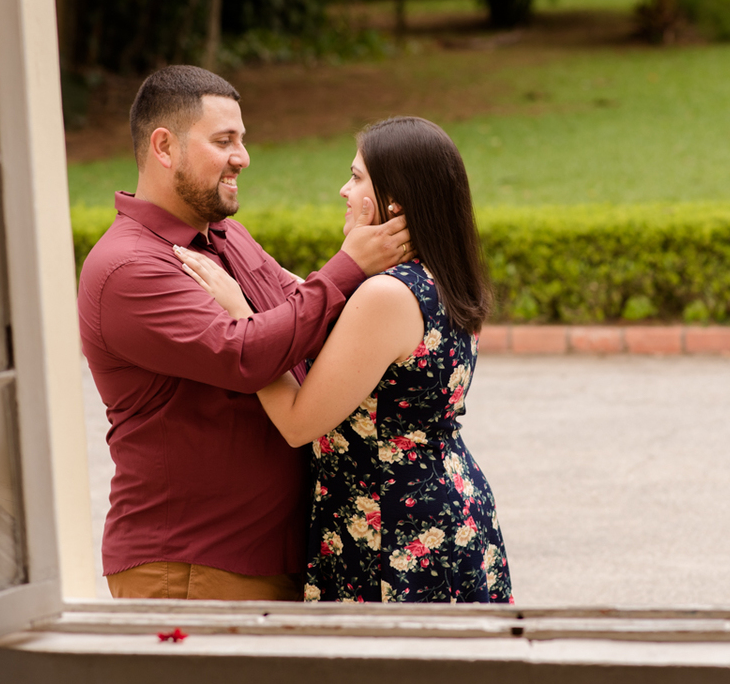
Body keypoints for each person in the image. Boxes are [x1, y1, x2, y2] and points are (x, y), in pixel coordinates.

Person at [78, 66, 412, 601]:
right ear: (164, 147)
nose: (243, 156)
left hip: (268, 556)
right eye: (224, 141)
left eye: (243, 139)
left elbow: (300, 321)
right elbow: (249, 355)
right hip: (193, 565)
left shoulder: (227, 236)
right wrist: (349, 266)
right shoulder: (129, 268)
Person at [176, 116, 513, 603]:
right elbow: (312, 303)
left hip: (393, 523)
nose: (343, 190)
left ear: (393, 201)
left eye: (356, 178)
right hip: (439, 502)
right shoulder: (434, 275)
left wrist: (239, 318)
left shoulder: (386, 295)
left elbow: (297, 422)